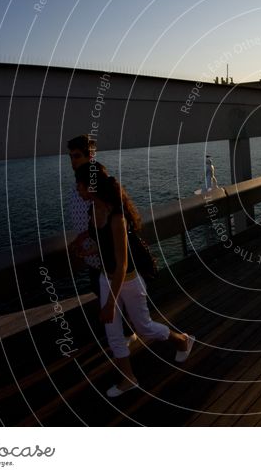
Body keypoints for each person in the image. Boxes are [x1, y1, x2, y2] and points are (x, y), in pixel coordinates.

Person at [74, 163, 195, 397]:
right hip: (106, 279)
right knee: (113, 334)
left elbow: (122, 265)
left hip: (127, 281)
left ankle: (182, 340)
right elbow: (104, 247)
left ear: (90, 186)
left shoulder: (116, 217)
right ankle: (129, 378)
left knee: (144, 327)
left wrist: (110, 302)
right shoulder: (93, 211)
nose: (77, 189)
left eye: (79, 185)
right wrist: (86, 251)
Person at [67, 135, 104, 297]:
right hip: (93, 260)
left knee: (116, 310)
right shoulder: (78, 184)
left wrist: (82, 237)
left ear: (90, 156)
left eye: (77, 156)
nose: (72, 161)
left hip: (106, 260)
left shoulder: (99, 184)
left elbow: (107, 221)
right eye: (70, 156)